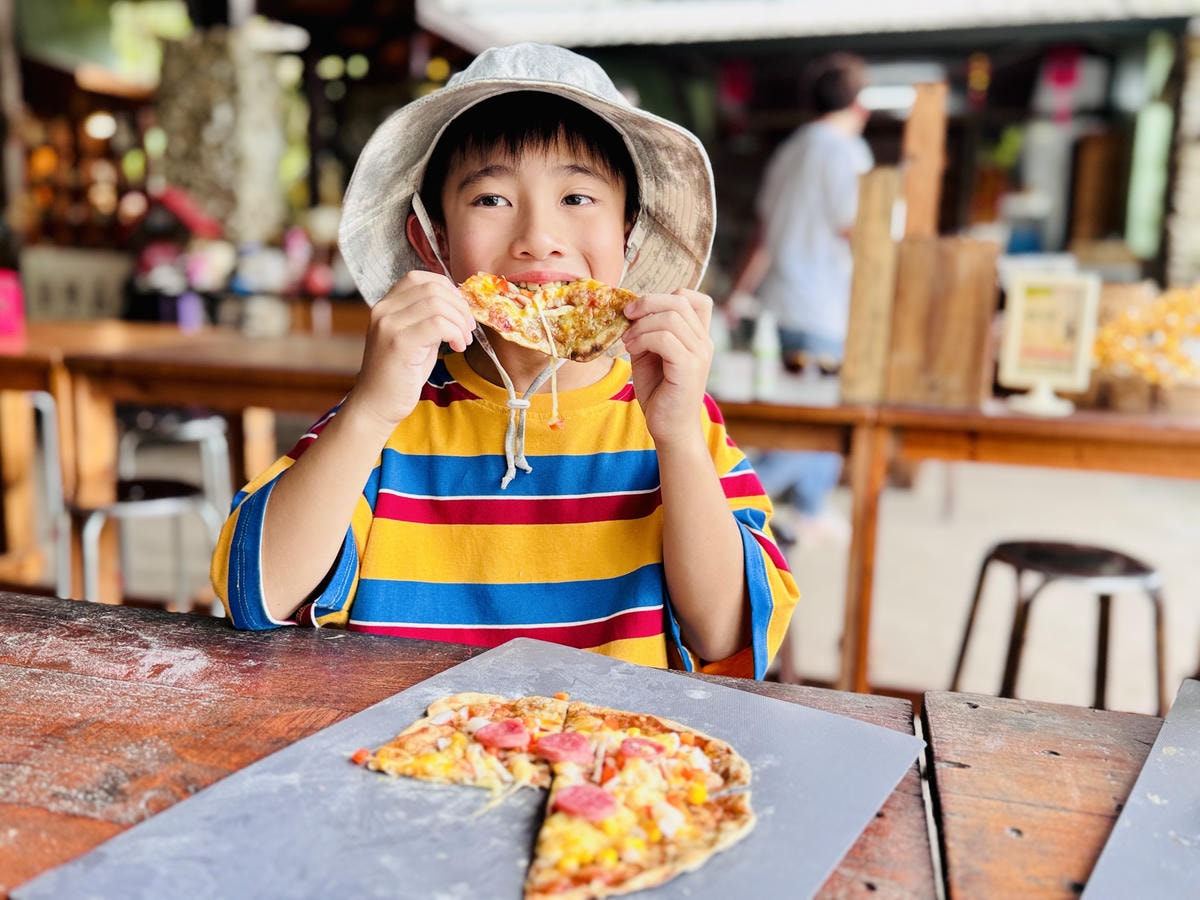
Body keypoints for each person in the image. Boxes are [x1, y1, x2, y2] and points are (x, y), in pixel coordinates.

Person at [211, 43, 798, 679]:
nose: (538, 238)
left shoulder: (674, 420)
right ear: (432, 241)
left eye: (578, 198)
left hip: (612, 739)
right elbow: (258, 596)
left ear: (629, 234)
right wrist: (371, 410)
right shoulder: (389, 414)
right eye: (491, 199)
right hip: (405, 733)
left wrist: (678, 438)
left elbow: (725, 634)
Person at [729, 52, 873, 546]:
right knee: (819, 429)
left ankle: (806, 513)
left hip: (778, 306)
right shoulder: (848, 154)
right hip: (823, 310)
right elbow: (859, 232)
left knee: (796, 421)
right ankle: (735, 502)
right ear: (860, 105)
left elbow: (762, 237)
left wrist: (738, 295)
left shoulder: (788, 152)